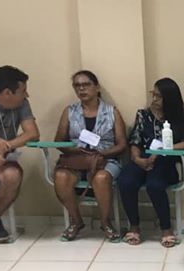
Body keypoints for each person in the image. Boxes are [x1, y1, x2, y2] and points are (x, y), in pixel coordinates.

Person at [118, 78, 184, 247]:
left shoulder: (179, 118)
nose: (154, 99)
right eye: (153, 95)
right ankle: (134, 226)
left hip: (166, 162)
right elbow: (135, 141)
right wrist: (137, 159)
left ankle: (166, 229)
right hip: (143, 159)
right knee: (126, 180)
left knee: (154, 185)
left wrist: (164, 149)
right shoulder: (143, 115)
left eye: (159, 96)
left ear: (169, 99)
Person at [52, 70, 127, 241]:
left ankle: (105, 222)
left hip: (106, 159)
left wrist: (102, 153)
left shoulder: (112, 112)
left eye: (86, 85)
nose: (81, 89)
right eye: (77, 85)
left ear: (97, 87)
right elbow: (59, 141)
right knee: (61, 176)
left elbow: (122, 145)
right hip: (76, 159)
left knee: (101, 178)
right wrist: (75, 150)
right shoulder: (69, 111)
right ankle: (76, 221)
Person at [0, 65, 40, 243]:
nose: (27, 95)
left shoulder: (22, 104)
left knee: (12, 176)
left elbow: (32, 133)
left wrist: (3, 147)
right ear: (7, 92)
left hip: (3, 157)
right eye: (23, 91)